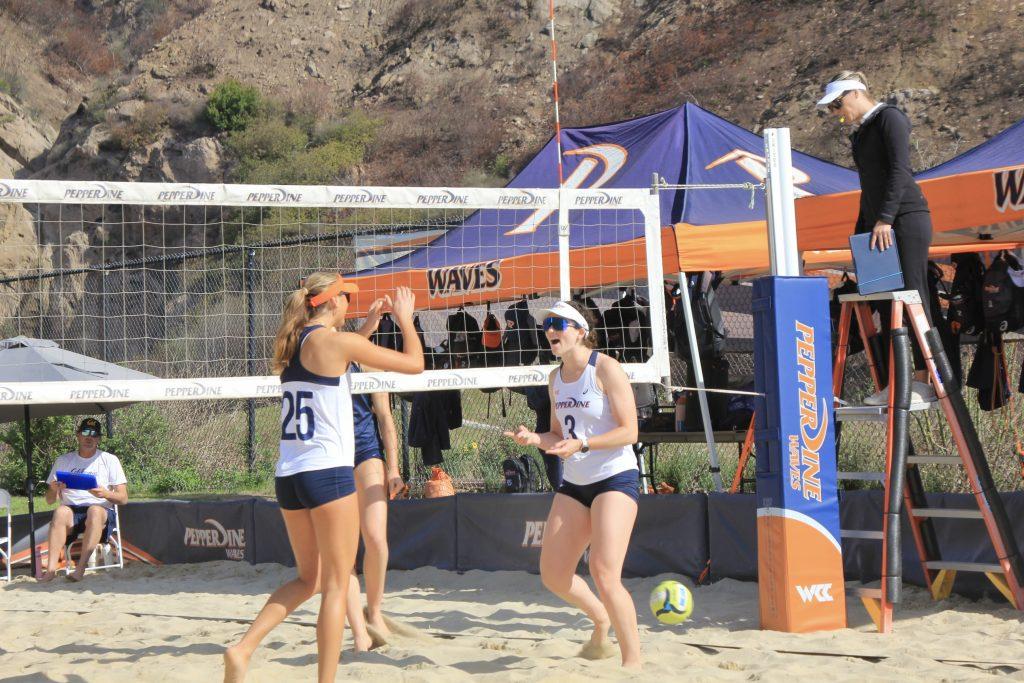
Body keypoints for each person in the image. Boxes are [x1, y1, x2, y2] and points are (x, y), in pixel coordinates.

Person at [224, 274, 423, 683]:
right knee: (335, 586)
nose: (352, 305)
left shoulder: (293, 344)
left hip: (289, 476)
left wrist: (366, 327)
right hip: (328, 475)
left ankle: (242, 649)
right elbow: (415, 365)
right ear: (333, 302)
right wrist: (405, 320)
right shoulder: (337, 343)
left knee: (308, 579)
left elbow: (346, 353)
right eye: (348, 297)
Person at [504, 300, 642, 669]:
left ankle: (633, 664)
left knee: (603, 571)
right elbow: (555, 435)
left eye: (558, 323)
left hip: (615, 477)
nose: (550, 329)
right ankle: (600, 619)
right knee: (553, 575)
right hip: (576, 483)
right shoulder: (555, 378)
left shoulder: (606, 369)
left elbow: (630, 431)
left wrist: (585, 443)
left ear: (581, 331)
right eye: (547, 323)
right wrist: (534, 440)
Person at [817, 70, 936, 405]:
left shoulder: (890, 119)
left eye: (837, 104)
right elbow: (869, 185)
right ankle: (897, 383)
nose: (836, 113)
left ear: (855, 93)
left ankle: (925, 380)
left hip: (906, 219)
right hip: (875, 225)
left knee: (912, 295)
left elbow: (901, 170)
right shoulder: (861, 133)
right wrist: (862, 230)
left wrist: (885, 219)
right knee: (883, 301)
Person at [343, 299, 406, 646]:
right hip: (333, 455)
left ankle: (375, 610)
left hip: (367, 452)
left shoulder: (371, 362)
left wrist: (393, 467)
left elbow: (384, 417)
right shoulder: (329, 353)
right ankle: (358, 629)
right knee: (345, 551)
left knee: (377, 539)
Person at [40, 417, 128, 583]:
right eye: (86, 432)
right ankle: (50, 571)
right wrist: (53, 488)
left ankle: (80, 569)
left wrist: (105, 494)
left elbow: (123, 498)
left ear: (99, 439)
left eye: (94, 434)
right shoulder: (64, 460)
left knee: (94, 511)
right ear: (78, 435)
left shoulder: (109, 460)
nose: (89, 437)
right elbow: (49, 500)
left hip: (100, 510)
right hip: (71, 511)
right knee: (60, 512)